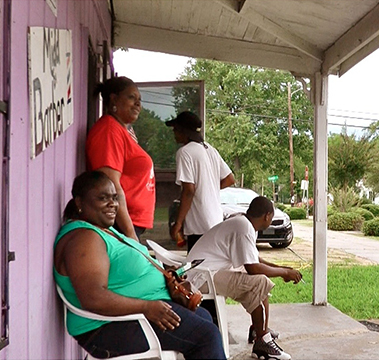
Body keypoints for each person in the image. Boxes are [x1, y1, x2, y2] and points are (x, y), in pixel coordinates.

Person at [54, 171, 226, 359]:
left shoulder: (104, 229)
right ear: (79, 203)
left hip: (140, 312)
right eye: (102, 198)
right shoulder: (84, 239)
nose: (112, 204)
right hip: (105, 328)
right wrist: (146, 307)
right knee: (207, 336)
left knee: (204, 317)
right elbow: (93, 298)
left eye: (114, 197)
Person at [186, 196, 302, 360]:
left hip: (206, 272)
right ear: (267, 216)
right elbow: (253, 268)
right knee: (259, 282)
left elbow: (254, 260)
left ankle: (259, 330)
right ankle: (262, 341)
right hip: (201, 278)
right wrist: (284, 273)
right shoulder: (244, 227)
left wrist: (283, 269)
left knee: (262, 283)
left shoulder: (244, 223)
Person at [86, 76, 155, 241]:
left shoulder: (121, 129)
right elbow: (110, 186)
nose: (138, 104)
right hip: (120, 225)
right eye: (131, 97)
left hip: (130, 223)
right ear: (114, 99)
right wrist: (130, 234)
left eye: (139, 99)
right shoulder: (109, 131)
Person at [165, 111, 235, 251]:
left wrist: (178, 223)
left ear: (183, 131)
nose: (174, 133)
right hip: (215, 221)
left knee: (197, 269)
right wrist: (208, 188)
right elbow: (229, 179)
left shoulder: (185, 152)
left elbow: (188, 191)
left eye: (176, 129)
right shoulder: (210, 149)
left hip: (199, 226)